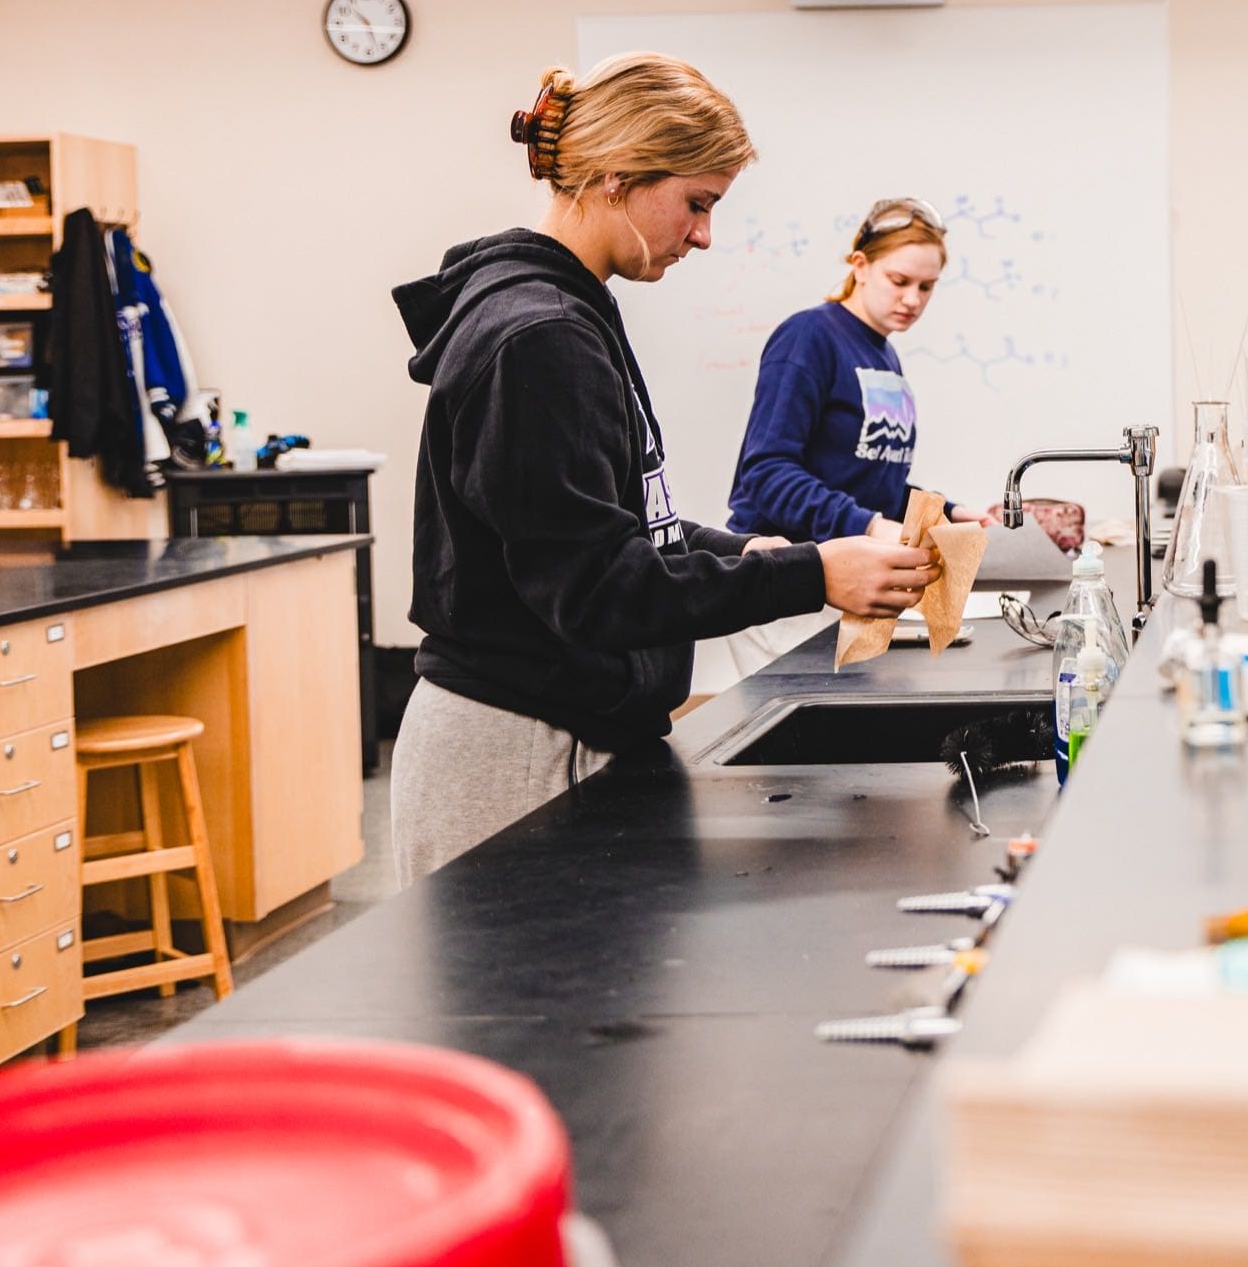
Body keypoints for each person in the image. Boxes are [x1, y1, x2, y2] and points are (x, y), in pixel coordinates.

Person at [391, 56, 932, 883]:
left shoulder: (573, 312)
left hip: (561, 729)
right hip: (514, 744)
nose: (704, 234)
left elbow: (622, 524)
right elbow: (598, 590)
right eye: (697, 203)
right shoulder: (536, 336)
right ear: (615, 177)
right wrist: (810, 572)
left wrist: (740, 553)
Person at [726, 196, 982, 545]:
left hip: (852, 569)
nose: (913, 299)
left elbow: (868, 486)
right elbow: (766, 474)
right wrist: (870, 527)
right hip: (782, 569)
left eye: (926, 286)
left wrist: (947, 513)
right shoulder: (809, 337)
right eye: (899, 280)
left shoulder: (886, 355)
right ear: (860, 266)